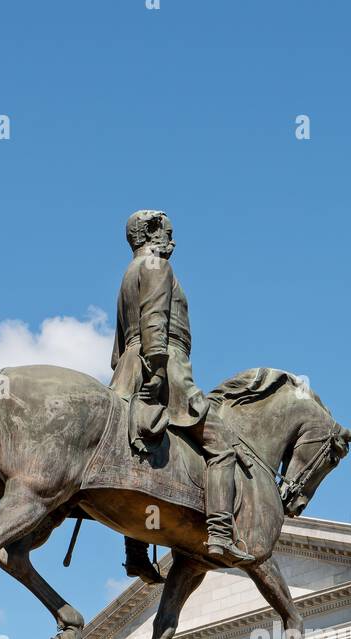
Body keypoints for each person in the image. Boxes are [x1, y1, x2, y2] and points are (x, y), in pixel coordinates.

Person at [110, 209, 254, 571]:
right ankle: (221, 534)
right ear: (152, 231)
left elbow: (117, 350)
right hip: (164, 367)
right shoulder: (157, 266)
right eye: (168, 232)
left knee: (144, 458)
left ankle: (136, 554)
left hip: (129, 369)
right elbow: (154, 323)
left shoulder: (128, 275)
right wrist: (158, 373)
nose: (172, 240)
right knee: (222, 446)